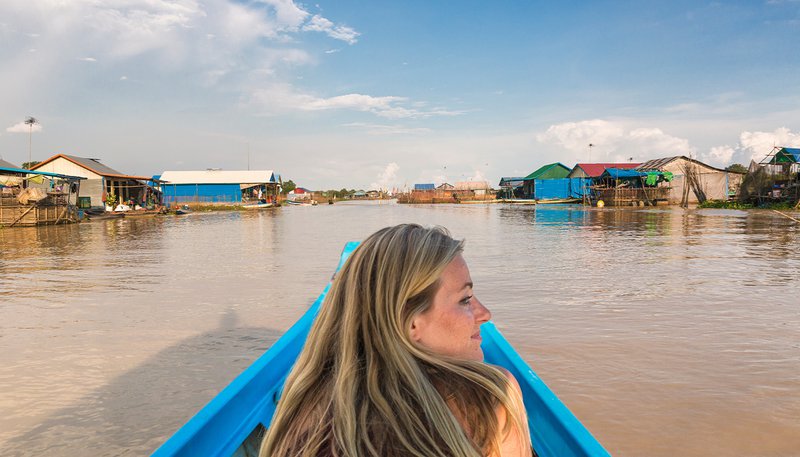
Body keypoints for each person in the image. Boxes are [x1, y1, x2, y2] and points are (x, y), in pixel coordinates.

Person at [261, 224, 532, 456]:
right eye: (465, 299)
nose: (484, 314)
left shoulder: (302, 406)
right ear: (409, 322)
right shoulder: (491, 395)